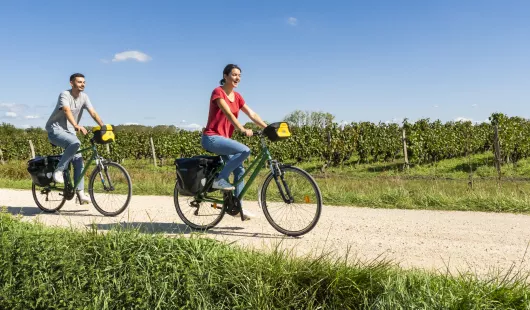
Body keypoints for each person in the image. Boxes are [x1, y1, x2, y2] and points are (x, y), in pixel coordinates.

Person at [201, 64, 268, 220]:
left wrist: (268, 128)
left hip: (223, 139)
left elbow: (252, 113)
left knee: (240, 171)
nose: (237, 78)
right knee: (245, 150)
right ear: (225, 76)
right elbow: (228, 113)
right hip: (211, 138)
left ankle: (237, 208)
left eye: (239, 75)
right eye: (234, 74)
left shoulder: (237, 97)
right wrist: (241, 129)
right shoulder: (218, 92)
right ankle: (220, 179)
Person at [45, 73, 105, 204]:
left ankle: (81, 193)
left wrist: (103, 126)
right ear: (71, 83)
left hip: (70, 131)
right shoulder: (64, 95)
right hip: (55, 129)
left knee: (78, 160)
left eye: (84, 82)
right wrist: (76, 125)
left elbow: (93, 112)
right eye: (79, 82)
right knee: (75, 142)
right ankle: (58, 171)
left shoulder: (84, 97)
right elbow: (66, 110)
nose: (82, 84)